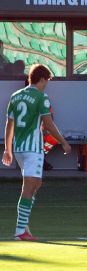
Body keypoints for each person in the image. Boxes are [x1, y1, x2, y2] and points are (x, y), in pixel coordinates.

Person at [2, 64, 71, 241]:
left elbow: (9, 125)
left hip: (18, 148)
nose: (46, 84)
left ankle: (23, 224)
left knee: (36, 183)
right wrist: (63, 142)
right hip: (33, 148)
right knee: (29, 187)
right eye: (47, 81)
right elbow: (48, 124)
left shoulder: (15, 96)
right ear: (41, 79)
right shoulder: (41, 97)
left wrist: (7, 149)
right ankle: (20, 230)